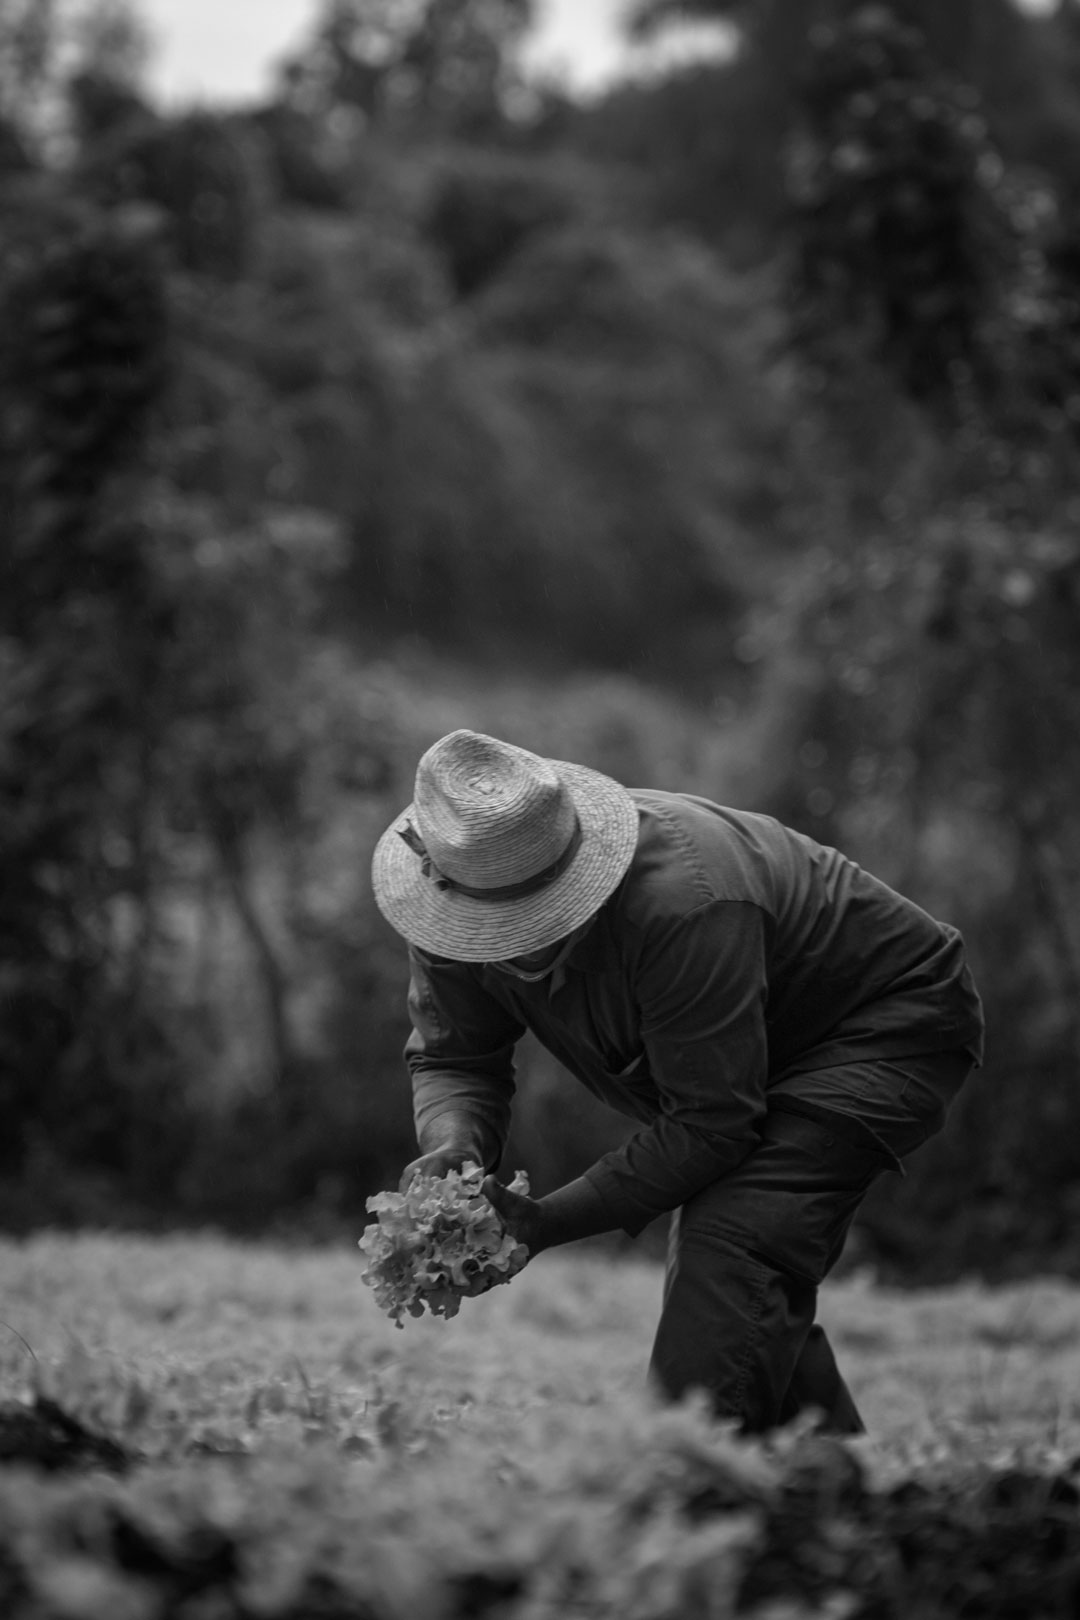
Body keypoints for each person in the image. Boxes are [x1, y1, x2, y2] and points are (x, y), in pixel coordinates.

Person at [371, 729, 984, 1434]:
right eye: (495, 928)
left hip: (881, 1023)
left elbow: (710, 1124)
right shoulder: (456, 888)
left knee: (733, 1236)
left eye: (531, 925)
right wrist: (456, 1146)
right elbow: (457, 1057)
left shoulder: (685, 904)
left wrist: (545, 1224)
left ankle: (694, 1489)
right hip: (745, 1048)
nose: (512, 946)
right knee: (742, 1279)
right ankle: (823, 1490)